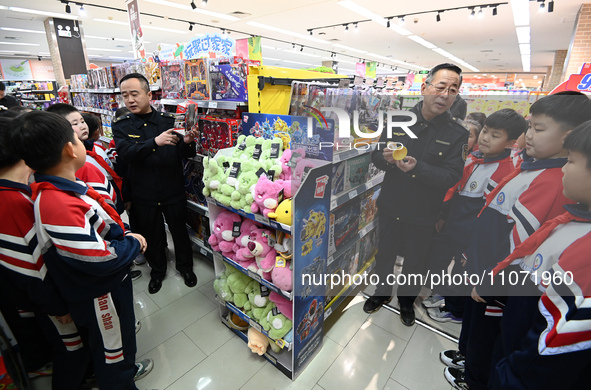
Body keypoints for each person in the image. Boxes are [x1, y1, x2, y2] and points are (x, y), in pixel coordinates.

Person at [442, 93, 591, 390]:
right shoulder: (532, 169)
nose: (529, 135)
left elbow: (517, 241)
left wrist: (490, 277)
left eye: (538, 128)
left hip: (501, 284)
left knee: (487, 336)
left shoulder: (548, 181)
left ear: (569, 136)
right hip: (489, 271)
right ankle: (471, 363)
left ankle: (474, 376)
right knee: (479, 331)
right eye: (529, 127)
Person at [11, 111, 153, 390]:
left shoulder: (61, 189)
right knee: (115, 356)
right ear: (69, 148)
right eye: (75, 135)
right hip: (101, 295)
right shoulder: (57, 203)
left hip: (102, 288)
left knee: (116, 347)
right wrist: (133, 243)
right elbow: (98, 260)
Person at [485, 120, 591, 390]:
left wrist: (508, 375)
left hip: (524, 367)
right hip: (517, 335)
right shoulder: (576, 220)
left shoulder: (585, 248)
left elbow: (552, 348)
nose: (564, 169)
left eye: (573, 162)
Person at [364, 63, 469, 327]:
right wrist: (385, 158)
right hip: (391, 204)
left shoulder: (458, 134)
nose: (445, 95)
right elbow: (376, 156)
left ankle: (407, 301)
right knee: (385, 253)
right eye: (440, 87)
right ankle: (381, 293)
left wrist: (418, 168)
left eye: (452, 89)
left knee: (415, 261)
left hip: (423, 212)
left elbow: (452, 176)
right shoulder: (397, 121)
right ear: (425, 88)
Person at [0, 116, 89, 389]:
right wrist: (57, 307)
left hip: (37, 300)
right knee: (71, 351)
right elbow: (29, 266)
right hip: (49, 301)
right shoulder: (14, 202)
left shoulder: (18, 192)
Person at [424, 109, 526, 324]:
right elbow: (455, 190)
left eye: (495, 135)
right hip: (453, 226)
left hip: (470, 235)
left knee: (462, 273)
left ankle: (455, 310)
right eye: (485, 131)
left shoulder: (504, 171)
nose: (485, 138)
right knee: (442, 263)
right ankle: (443, 294)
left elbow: (487, 214)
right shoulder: (473, 158)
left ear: (511, 143)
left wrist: (473, 242)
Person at [112, 73, 197, 294]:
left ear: (149, 94)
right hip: (143, 193)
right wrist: (154, 142)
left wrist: (187, 142)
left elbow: (182, 153)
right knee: (152, 234)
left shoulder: (169, 122)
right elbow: (127, 153)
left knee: (179, 231)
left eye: (134, 94)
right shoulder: (121, 126)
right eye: (125, 95)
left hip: (172, 189)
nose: (130, 100)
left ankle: (185, 267)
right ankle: (157, 272)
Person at [47, 103, 124, 214]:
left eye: (82, 121)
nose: (83, 126)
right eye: (75, 124)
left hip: (114, 203)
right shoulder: (71, 163)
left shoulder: (95, 148)